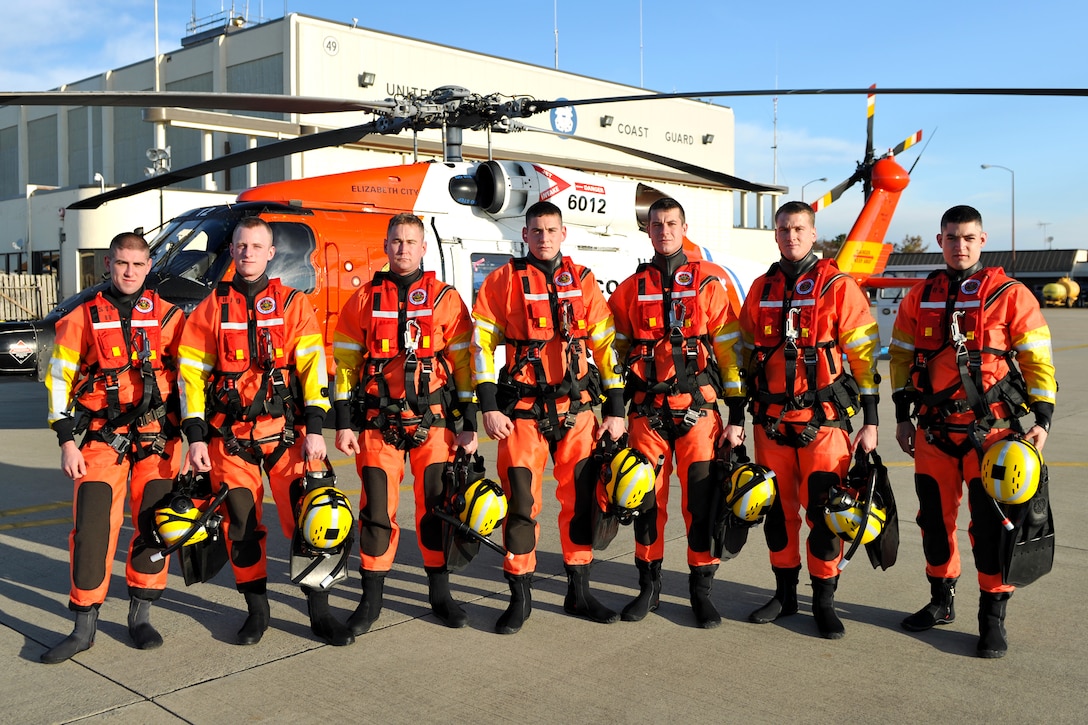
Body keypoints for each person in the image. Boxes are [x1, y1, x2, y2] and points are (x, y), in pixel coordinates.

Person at [891, 204, 1055, 658]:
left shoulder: (1010, 293)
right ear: (939, 240)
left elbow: (1037, 359)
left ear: (982, 240)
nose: (959, 246)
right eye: (950, 237)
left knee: (991, 529)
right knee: (932, 525)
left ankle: (992, 617)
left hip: (994, 436)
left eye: (968, 238)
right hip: (933, 434)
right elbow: (902, 357)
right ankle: (941, 602)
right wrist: (903, 416)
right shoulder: (918, 295)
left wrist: (1042, 419)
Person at [179, 217, 347, 646]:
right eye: (241, 245)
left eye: (257, 246)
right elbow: (191, 376)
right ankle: (258, 611)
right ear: (231, 251)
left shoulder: (293, 303)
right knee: (241, 526)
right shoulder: (209, 307)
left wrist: (314, 428)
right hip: (230, 441)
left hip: (288, 436)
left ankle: (319, 612)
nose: (248, 252)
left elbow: (313, 369)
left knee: (315, 520)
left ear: (271, 253)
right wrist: (195, 435)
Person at [472, 200, 626, 634]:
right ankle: (519, 598)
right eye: (535, 231)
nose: (543, 237)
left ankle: (578, 593)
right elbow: (480, 344)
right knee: (522, 506)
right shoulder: (502, 281)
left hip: (576, 414)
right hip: (521, 414)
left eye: (551, 230)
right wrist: (487, 405)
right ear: (525, 235)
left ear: (563, 234)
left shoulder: (583, 281)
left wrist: (615, 410)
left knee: (579, 506)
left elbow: (606, 347)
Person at [739, 200, 879, 639]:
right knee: (778, 514)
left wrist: (871, 421)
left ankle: (823, 601)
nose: (791, 235)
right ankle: (783, 594)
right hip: (771, 423)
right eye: (784, 229)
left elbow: (864, 357)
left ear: (813, 233)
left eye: (799, 228)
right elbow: (742, 352)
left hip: (826, 424)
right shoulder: (761, 288)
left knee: (825, 513)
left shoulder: (838, 286)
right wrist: (734, 413)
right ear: (776, 234)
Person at [42, 232, 184, 663]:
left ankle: (140, 616)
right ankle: (83, 626)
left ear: (148, 267)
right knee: (92, 529)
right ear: (109, 263)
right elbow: (58, 380)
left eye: (138, 265)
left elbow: (192, 378)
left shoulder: (169, 316)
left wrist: (196, 437)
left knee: (154, 529)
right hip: (102, 440)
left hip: (159, 442)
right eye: (122, 263)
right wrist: (67, 441)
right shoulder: (83, 316)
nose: (129, 272)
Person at [333, 213, 478, 634]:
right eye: (396, 241)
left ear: (422, 248)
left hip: (434, 425)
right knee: (376, 512)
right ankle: (371, 600)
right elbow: (344, 365)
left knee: (436, 511)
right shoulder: (361, 300)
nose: (402, 249)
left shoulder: (445, 298)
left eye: (410, 242)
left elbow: (464, 364)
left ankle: (440, 594)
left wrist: (466, 421)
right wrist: (343, 422)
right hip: (379, 426)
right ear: (386, 245)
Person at [607, 197, 745, 628]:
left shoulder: (708, 284)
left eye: (671, 223)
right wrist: (615, 407)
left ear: (684, 226)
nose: (664, 230)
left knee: (702, 506)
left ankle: (701, 592)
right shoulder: (631, 288)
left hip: (699, 413)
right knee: (645, 502)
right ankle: (648, 588)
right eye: (656, 224)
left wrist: (737, 415)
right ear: (647, 230)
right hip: (647, 413)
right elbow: (615, 352)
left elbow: (730, 352)